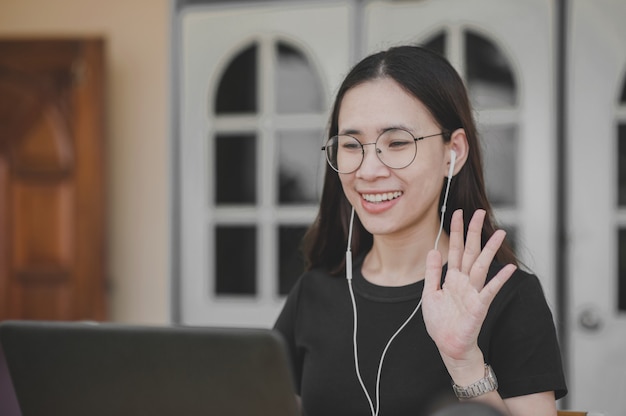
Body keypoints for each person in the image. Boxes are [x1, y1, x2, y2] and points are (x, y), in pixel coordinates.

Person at [273, 45, 567, 416]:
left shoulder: (507, 298)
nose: (368, 170)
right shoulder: (313, 293)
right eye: (351, 145)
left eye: (396, 143)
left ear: (453, 152)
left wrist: (464, 361)